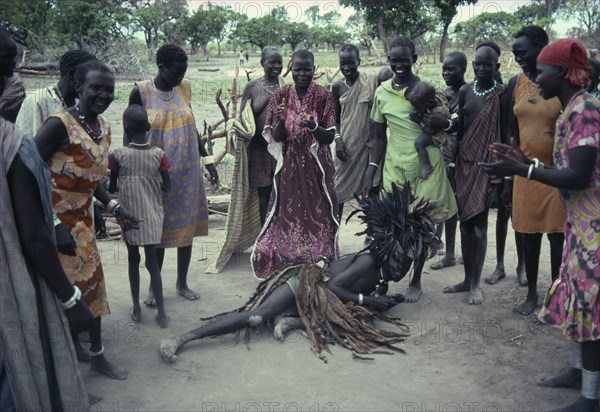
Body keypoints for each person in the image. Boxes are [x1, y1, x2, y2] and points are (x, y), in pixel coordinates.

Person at [160, 183, 436, 363]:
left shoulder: (382, 277)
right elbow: (333, 290)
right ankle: (183, 338)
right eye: (401, 262)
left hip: (320, 293)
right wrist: (370, 301)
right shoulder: (368, 264)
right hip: (306, 281)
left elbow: (346, 299)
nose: (402, 269)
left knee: (358, 317)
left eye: (408, 266)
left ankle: (293, 320)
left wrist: (375, 301)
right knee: (258, 316)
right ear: (389, 251)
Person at [480, 38, 599, 412]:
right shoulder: (571, 109)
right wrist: (523, 160)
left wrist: (523, 169)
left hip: (594, 227)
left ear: (563, 73)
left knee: (591, 305)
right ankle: (578, 372)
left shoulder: (586, 111)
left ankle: (591, 397)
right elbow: (566, 171)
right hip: (581, 225)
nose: (538, 77)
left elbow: (578, 176)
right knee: (578, 298)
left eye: (544, 70)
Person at [1, 29, 92, 411]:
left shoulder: (84, 113)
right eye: (9, 67)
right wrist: (71, 300)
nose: (14, 78)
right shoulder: (25, 126)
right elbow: (31, 169)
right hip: (38, 229)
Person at [34, 59, 140, 380]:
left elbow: (93, 182)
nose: (102, 94)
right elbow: (27, 170)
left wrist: (115, 206)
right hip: (51, 226)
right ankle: (66, 376)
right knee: (62, 297)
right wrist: (52, 225)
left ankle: (96, 356)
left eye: (109, 89)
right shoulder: (59, 125)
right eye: (95, 87)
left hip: (83, 226)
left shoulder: (104, 127)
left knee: (94, 289)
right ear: (79, 87)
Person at [360, 36, 457, 302]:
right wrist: (371, 172)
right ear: (388, 60)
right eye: (394, 59)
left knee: (420, 227)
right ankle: (383, 280)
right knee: (389, 227)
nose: (399, 64)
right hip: (394, 167)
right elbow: (378, 138)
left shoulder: (427, 90)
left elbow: (445, 123)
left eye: (405, 59)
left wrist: (442, 123)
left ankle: (415, 280)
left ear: (414, 59)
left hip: (426, 166)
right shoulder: (381, 93)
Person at [129, 43, 218, 303]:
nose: (179, 78)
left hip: (188, 172)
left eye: (183, 73)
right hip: (155, 175)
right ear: (161, 67)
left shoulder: (184, 88)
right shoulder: (141, 91)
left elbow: (193, 130)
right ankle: (153, 289)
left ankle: (182, 283)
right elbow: (130, 132)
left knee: (185, 229)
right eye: (175, 73)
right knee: (157, 232)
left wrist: (209, 162)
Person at [252, 49, 339, 280]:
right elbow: (277, 137)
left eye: (307, 69)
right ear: (291, 69)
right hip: (291, 164)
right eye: (297, 69)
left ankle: (319, 257)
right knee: (290, 211)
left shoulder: (323, 96)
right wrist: (280, 121)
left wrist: (312, 127)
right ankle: (291, 258)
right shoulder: (281, 94)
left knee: (319, 211)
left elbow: (329, 137)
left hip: (316, 163)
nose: (302, 73)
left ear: (314, 69)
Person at [506, 26, 566, 315]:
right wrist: (509, 173)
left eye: (522, 51)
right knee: (529, 237)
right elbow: (510, 131)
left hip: (556, 174)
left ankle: (555, 297)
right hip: (525, 172)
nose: (517, 57)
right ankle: (531, 294)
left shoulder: (558, 82)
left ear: (541, 47)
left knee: (557, 238)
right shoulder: (514, 84)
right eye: (515, 52)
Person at [206, 46, 282, 274]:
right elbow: (242, 119)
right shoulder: (253, 87)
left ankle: (278, 243)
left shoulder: (285, 87)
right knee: (264, 197)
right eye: (272, 63)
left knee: (280, 195)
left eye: (279, 63)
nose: (276, 67)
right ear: (262, 63)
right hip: (258, 152)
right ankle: (264, 243)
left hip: (279, 151)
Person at [443, 41, 506, 305]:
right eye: (477, 63)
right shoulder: (466, 91)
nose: (481, 68)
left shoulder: (502, 94)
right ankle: (467, 279)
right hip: (465, 166)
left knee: (479, 228)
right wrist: (445, 127)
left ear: (496, 67)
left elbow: (505, 135)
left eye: (487, 64)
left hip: (487, 167)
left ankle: (476, 284)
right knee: (465, 226)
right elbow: (460, 128)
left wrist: (498, 180)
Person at [108, 105, 172, 328]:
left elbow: (113, 186)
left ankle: (136, 307)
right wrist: (150, 182)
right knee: (153, 263)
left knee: (133, 260)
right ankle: (162, 313)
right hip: (154, 215)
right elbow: (167, 186)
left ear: (125, 129)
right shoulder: (159, 154)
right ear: (147, 127)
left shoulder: (117, 155)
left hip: (130, 216)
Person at [426, 52, 466, 269]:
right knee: (440, 201)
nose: (447, 73)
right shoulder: (441, 95)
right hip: (440, 153)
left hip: (460, 155)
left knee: (455, 206)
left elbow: (461, 126)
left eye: (452, 69)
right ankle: (440, 247)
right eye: (444, 69)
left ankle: (452, 252)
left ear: (464, 70)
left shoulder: (467, 93)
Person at [331, 44, 380, 215]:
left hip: (368, 147)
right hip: (345, 149)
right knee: (338, 191)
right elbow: (334, 119)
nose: (346, 68)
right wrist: (337, 140)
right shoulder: (337, 87)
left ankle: (373, 235)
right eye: (342, 64)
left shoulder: (371, 81)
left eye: (350, 63)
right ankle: (334, 237)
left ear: (358, 61)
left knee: (371, 190)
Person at [406, 81, 451, 180]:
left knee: (419, 143)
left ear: (430, 103)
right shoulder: (436, 96)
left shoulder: (436, 113)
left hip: (438, 132)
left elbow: (431, 131)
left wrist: (419, 122)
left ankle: (427, 166)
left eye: (418, 107)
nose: (415, 109)